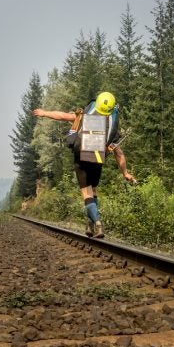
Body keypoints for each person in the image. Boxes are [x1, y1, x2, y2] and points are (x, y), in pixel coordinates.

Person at [33, 91, 135, 238]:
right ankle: (90, 224)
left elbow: (63, 116)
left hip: (81, 158)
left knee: (86, 193)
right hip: (97, 159)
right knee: (93, 191)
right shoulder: (111, 128)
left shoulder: (84, 115)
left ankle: (98, 223)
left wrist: (44, 113)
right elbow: (119, 153)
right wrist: (125, 173)